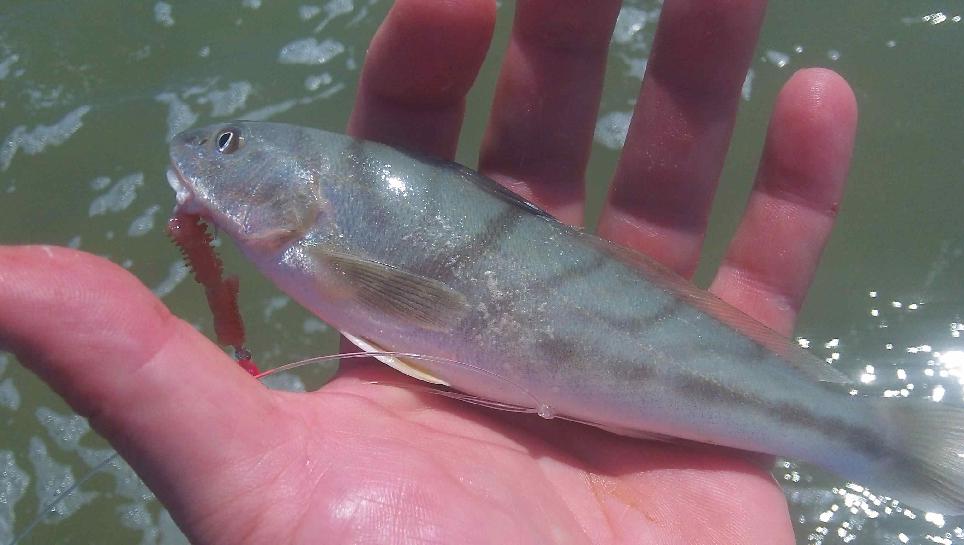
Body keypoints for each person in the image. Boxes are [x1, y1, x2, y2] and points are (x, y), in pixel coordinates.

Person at [0, 0, 857, 543]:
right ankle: (856, 432)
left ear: (291, 174)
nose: (207, 153)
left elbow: (393, 302)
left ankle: (868, 437)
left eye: (229, 145)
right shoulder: (303, 241)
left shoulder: (315, 245)